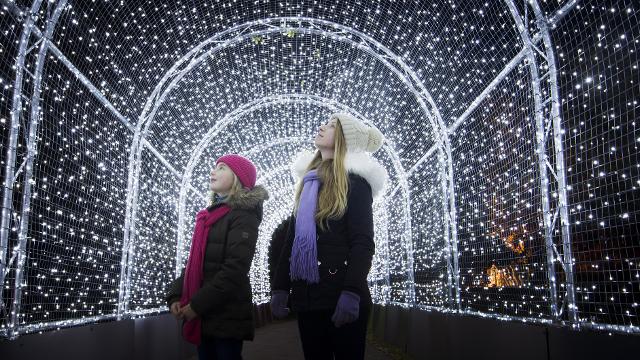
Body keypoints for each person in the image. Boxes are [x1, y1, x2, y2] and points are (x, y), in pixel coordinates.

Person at [271, 113, 387, 359]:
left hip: (341, 294)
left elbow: (362, 242)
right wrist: (280, 287)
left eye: (333, 126)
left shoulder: (355, 184)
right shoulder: (307, 184)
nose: (323, 126)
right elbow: (290, 243)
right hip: (307, 298)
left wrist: (352, 291)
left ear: (345, 139)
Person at [166, 154, 269, 360]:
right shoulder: (208, 216)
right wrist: (176, 295)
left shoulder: (244, 216)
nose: (213, 171)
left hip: (226, 314)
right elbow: (194, 263)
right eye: (215, 167)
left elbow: (235, 269)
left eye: (222, 168)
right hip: (203, 311)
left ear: (238, 178)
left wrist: (196, 306)